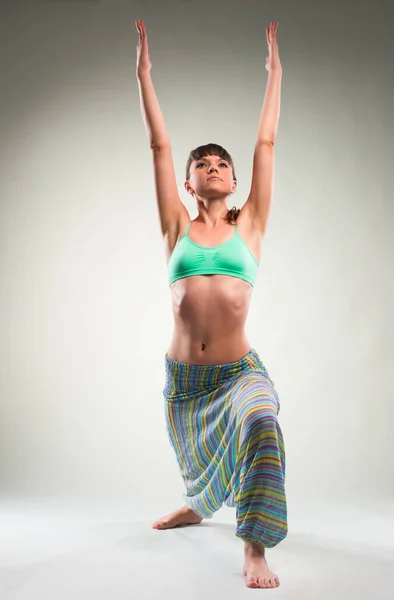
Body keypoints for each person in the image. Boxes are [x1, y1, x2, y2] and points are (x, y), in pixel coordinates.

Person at [135, 18, 287, 589]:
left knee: (261, 422)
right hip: (186, 380)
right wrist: (144, 75)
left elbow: (266, 142)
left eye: (223, 164)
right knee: (195, 458)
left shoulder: (250, 226)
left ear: (235, 179)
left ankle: (254, 546)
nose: (214, 168)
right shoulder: (174, 227)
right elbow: (159, 144)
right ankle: (197, 505)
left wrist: (275, 74)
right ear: (188, 185)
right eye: (203, 165)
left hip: (237, 372)